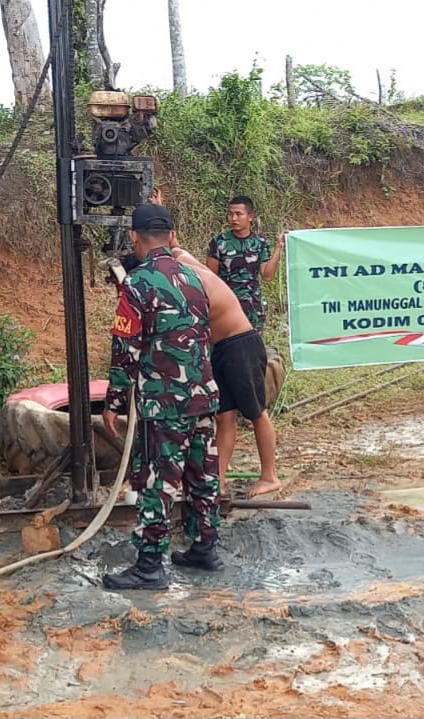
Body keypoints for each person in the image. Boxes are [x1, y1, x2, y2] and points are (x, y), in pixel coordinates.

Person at [101, 204, 222, 591]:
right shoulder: (195, 278)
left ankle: (149, 566)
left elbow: (126, 349)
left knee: (157, 479)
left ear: (134, 238)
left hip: (165, 402)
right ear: (171, 237)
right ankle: (205, 547)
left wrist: (115, 401)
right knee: (202, 474)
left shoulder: (136, 284)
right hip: (202, 396)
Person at [168, 235, 281, 498]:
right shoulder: (183, 259)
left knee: (255, 412)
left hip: (241, 344)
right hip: (223, 347)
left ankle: (269, 476)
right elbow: (174, 244)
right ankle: (217, 480)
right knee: (224, 416)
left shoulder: (186, 278)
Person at [206, 196, 284, 334]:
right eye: (230, 214)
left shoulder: (260, 243)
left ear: (250, 216)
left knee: (253, 349)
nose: (234, 218)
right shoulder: (219, 242)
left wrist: (279, 248)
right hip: (226, 305)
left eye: (238, 214)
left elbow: (267, 275)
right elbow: (210, 279)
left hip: (252, 305)